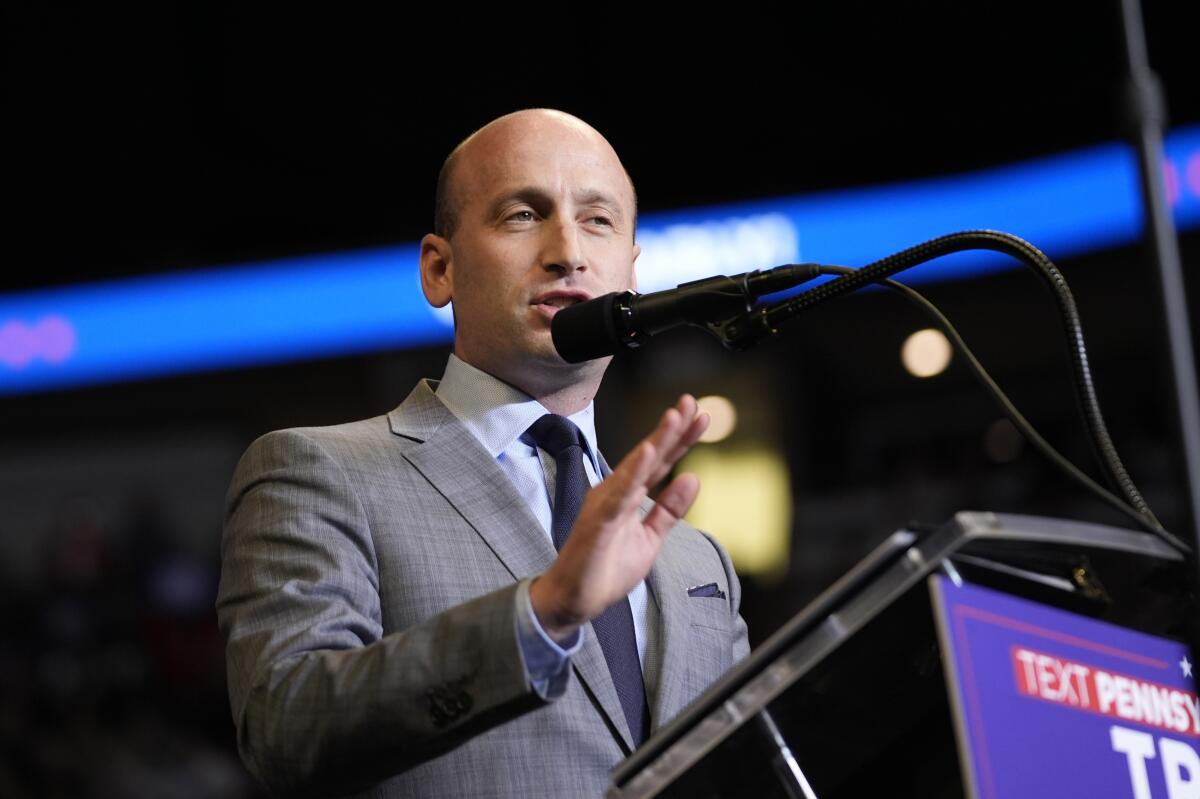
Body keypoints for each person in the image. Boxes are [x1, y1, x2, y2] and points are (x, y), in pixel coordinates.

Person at [216, 108, 750, 798]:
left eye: (598, 220)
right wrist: (543, 613)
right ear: (440, 269)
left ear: (632, 273)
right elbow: (287, 727)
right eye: (524, 215)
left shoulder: (693, 557)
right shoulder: (318, 473)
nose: (569, 251)